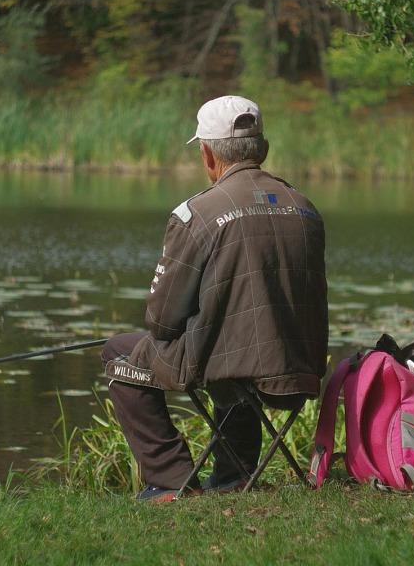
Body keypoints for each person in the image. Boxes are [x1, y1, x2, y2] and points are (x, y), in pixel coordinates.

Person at [100, 95, 328, 503]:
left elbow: (163, 322)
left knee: (119, 351)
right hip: (299, 371)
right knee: (234, 349)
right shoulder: (305, 208)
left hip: (229, 370)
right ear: (264, 149)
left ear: (207, 154)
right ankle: (233, 474)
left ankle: (172, 481)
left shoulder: (198, 214)